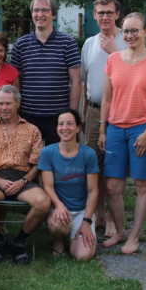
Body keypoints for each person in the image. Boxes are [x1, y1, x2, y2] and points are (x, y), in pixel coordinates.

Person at [98, 12, 146, 254]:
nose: (130, 35)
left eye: (135, 30)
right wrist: (103, 129)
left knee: (141, 185)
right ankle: (120, 232)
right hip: (116, 129)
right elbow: (107, 98)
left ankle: (134, 236)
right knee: (112, 187)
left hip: (143, 129)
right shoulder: (114, 60)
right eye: (126, 31)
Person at [0, 85, 50, 264]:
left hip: (23, 178)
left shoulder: (32, 130)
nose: (4, 107)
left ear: (18, 103)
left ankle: (19, 241)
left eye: (8, 103)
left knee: (43, 202)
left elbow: (37, 165)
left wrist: (23, 181)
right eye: (0, 103)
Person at [81, 0, 126, 237]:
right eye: (100, 13)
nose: (104, 17)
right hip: (94, 110)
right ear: (94, 15)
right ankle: (97, 214)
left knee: (114, 167)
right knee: (94, 166)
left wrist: (115, 53)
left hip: (120, 110)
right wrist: (84, 113)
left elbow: (133, 73)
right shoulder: (89, 43)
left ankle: (111, 218)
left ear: (117, 14)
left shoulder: (127, 40)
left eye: (109, 12)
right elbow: (85, 81)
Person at [10, 0, 81, 145]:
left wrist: (72, 114)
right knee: (27, 158)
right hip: (27, 116)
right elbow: (15, 82)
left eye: (45, 10)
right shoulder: (21, 44)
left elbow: (76, 81)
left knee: (58, 157)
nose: (40, 14)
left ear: (53, 14)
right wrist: (16, 111)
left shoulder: (68, 43)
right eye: (36, 10)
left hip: (58, 117)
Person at [39, 108, 99, 261]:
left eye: (70, 124)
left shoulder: (89, 154)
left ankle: (76, 234)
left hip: (81, 211)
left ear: (78, 128)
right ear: (56, 128)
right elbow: (48, 186)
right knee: (58, 225)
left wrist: (86, 221)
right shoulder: (47, 152)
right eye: (61, 124)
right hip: (57, 208)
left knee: (82, 256)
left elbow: (93, 191)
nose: (65, 128)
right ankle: (59, 240)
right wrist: (59, 205)